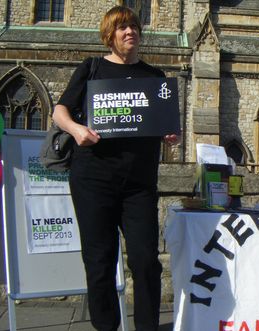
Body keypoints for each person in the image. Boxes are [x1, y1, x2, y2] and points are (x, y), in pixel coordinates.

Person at [52, 6, 177, 331]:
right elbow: (59, 112)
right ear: (110, 35)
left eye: (133, 26)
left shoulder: (156, 78)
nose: (130, 32)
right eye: (122, 28)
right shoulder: (92, 69)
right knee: (99, 261)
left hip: (138, 184)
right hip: (93, 179)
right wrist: (77, 130)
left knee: (146, 261)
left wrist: (169, 133)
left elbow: (163, 124)